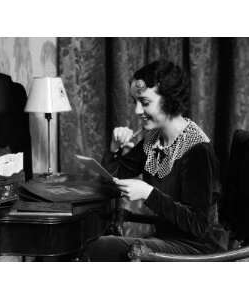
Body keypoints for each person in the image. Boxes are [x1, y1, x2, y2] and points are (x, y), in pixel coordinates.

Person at [84, 60, 229, 261]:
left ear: (169, 99)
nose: (136, 111)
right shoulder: (153, 140)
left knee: (99, 247)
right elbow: (110, 180)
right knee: (93, 243)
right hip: (165, 240)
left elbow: (198, 225)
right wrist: (114, 150)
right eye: (135, 102)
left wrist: (148, 193)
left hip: (196, 250)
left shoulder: (197, 150)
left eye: (144, 102)